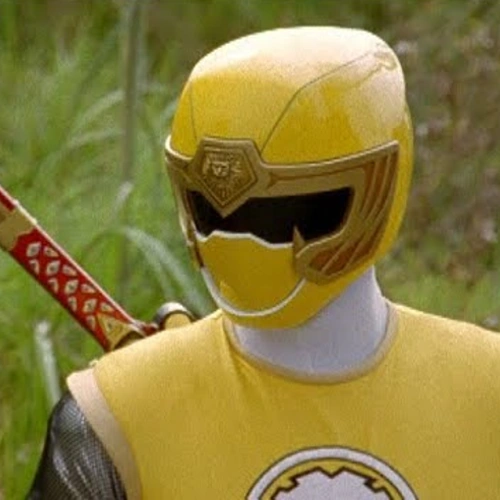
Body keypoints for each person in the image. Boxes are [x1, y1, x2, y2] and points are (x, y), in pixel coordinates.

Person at [29, 26, 500, 499]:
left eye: (288, 210)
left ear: (381, 181)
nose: (239, 240)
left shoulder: (488, 392)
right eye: (212, 209)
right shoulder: (112, 418)